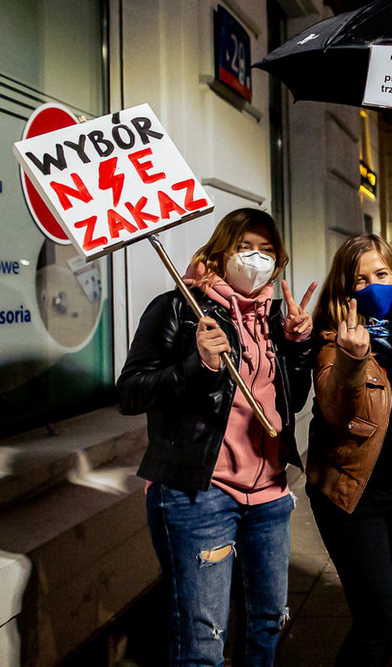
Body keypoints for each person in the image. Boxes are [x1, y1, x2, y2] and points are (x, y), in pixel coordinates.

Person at [117, 207, 317, 667]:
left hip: (268, 495)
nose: (257, 259)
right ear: (220, 251)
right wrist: (198, 366)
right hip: (198, 495)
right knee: (203, 644)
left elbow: (292, 403)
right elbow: (130, 393)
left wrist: (298, 347)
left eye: (267, 251)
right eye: (245, 247)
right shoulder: (179, 308)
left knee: (267, 623)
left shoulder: (274, 317)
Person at [305, 234, 392, 667]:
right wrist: (351, 360)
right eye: (361, 280)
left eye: (382, 274)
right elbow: (335, 408)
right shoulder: (334, 342)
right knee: (378, 619)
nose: (374, 285)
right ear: (345, 291)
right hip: (353, 496)